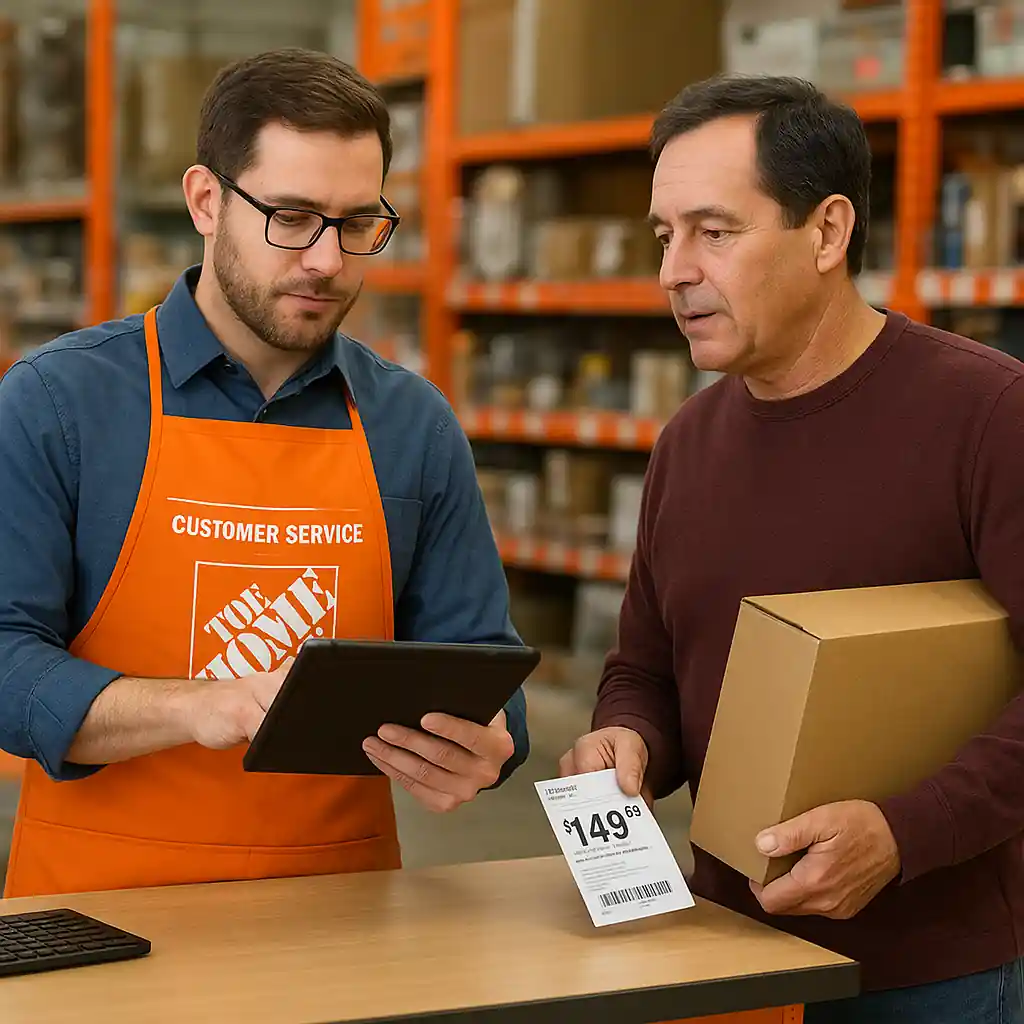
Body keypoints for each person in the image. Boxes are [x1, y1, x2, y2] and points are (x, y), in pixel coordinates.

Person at [0, 48, 529, 899]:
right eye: (292, 215)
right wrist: (200, 705)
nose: (326, 259)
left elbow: (482, 662)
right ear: (206, 201)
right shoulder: (59, 404)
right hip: (98, 916)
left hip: (341, 921)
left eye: (358, 224)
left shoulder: (413, 427)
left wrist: (489, 744)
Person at [559, 74, 1024, 1023]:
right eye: (664, 235)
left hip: (938, 975)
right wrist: (627, 742)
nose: (674, 271)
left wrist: (903, 833)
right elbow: (647, 668)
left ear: (827, 232)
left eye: (713, 231)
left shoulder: (988, 416)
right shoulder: (687, 444)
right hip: (732, 957)